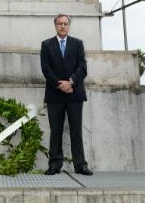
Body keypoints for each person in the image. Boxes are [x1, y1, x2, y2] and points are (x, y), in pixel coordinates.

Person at [40, 14, 93, 176]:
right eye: (60, 24)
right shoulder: (47, 45)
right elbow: (46, 68)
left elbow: (82, 67)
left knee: (76, 131)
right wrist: (60, 84)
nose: (63, 26)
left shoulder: (77, 44)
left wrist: (70, 82)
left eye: (65, 24)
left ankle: (80, 165)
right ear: (55, 26)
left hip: (74, 93)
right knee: (55, 130)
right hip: (55, 95)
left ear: (69, 26)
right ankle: (54, 165)